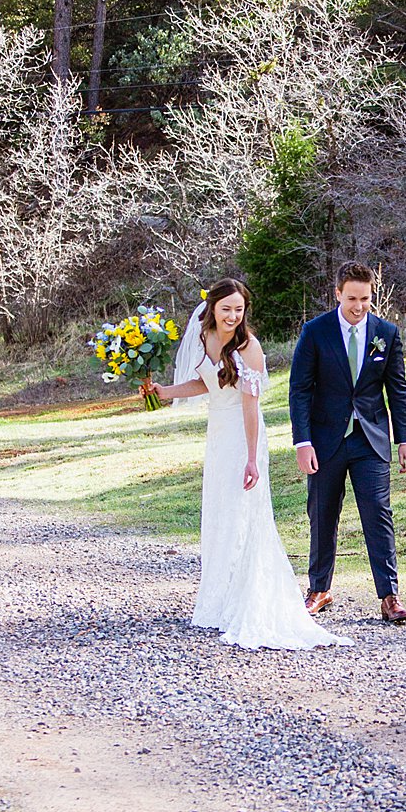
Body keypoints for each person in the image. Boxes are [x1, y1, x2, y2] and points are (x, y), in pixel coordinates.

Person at [146, 277, 337, 651]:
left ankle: (247, 597)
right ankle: (220, 598)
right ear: (212, 309)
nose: (233, 316)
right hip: (218, 434)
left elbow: (251, 405)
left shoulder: (249, 347)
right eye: (226, 309)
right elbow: (207, 383)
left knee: (244, 511)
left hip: (245, 435)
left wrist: (252, 459)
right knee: (220, 511)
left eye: (239, 309)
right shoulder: (204, 339)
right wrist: (164, 392)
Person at [288, 262, 406, 625]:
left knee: (378, 513)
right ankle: (319, 588)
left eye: (365, 299)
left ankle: (389, 596)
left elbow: (398, 390)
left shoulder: (386, 333)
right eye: (351, 299)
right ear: (337, 294)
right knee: (322, 514)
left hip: (371, 439)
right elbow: (299, 390)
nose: (359, 307)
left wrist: (404, 440)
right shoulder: (315, 332)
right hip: (326, 440)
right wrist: (303, 442)